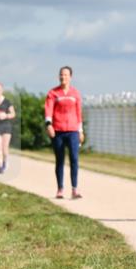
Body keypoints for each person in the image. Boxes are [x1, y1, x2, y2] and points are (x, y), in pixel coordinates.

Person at [44, 66, 84, 199]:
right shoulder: (53, 93)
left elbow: (79, 113)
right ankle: (60, 189)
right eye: (61, 74)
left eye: (66, 75)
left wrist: (80, 131)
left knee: (74, 159)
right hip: (58, 131)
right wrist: (48, 124)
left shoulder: (75, 93)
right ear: (58, 76)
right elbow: (48, 110)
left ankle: (74, 189)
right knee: (60, 160)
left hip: (73, 131)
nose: (63, 77)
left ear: (70, 77)